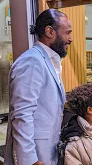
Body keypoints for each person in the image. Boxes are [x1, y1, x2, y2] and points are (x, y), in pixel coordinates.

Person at [4, 9, 72, 165]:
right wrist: (30, 160)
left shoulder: (49, 59)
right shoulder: (31, 61)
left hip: (47, 149)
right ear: (49, 32)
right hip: (35, 154)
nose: (71, 39)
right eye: (67, 32)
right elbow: (22, 115)